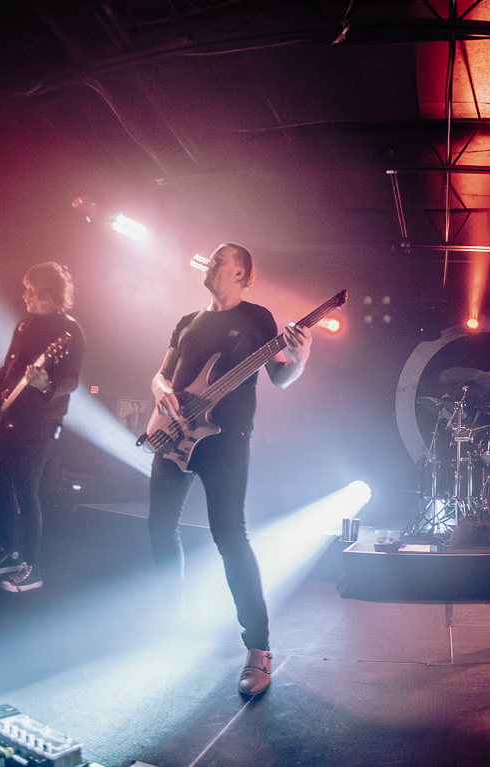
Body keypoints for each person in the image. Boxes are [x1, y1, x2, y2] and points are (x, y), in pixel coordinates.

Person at [147, 243, 311, 697]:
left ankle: (259, 648)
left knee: (229, 538)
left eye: (220, 259)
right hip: (174, 434)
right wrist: (160, 389)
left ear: (241, 273)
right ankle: (172, 611)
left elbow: (281, 377)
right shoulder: (188, 321)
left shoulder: (257, 318)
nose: (211, 263)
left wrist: (302, 357)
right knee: (159, 526)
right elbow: (161, 373)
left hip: (225, 441)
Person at [0, 262, 85, 592]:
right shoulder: (25, 325)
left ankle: (32, 567)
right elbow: (8, 367)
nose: (25, 296)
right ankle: (11, 553)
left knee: (26, 487)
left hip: (41, 420)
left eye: (31, 290)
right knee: (2, 486)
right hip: (8, 415)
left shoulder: (70, 330)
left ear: (49, 294)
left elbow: (72, 380)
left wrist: (46, 384)